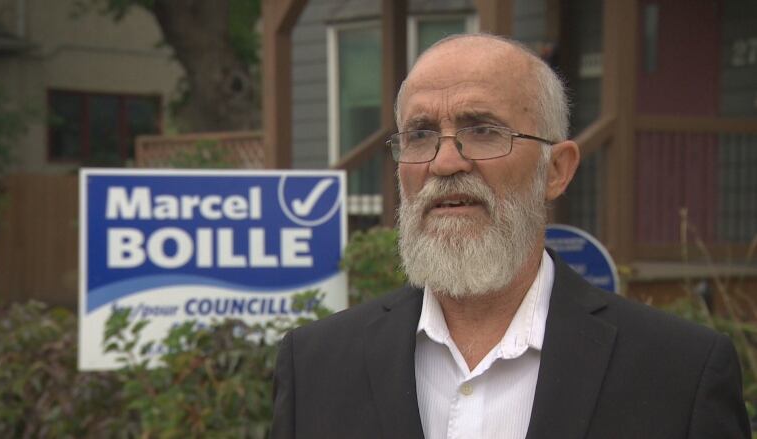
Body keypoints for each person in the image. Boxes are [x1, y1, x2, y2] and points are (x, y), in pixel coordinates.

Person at [270, 33, 750, 439]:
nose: (445, 162)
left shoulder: (678, 374)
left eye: (482, 130)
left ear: (557, 170)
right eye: (420, 134)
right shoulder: (315, 367)